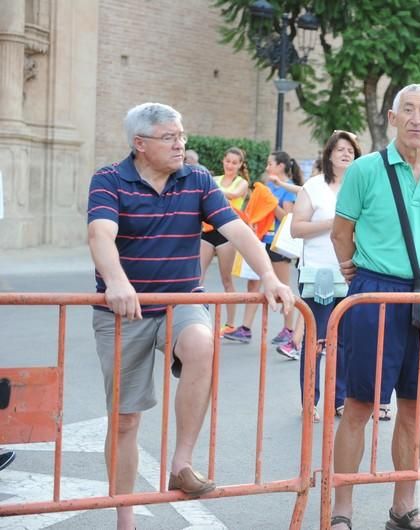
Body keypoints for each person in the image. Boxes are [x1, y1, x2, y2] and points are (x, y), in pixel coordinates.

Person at [87, 102, 293, 530]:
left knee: (202, 342)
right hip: (124, 310)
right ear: (139, 144)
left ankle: (182, 462)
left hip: (180, 300)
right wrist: (117, 281)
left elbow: (236, 229)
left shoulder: (196, 179)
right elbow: (100, 233)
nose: (180, 144)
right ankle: (125, 516)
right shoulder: (108, 180)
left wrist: (270, 277)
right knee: (125, 419)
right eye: (169, 137)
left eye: (182, 136)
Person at [329, 84, 420, 530]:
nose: (417, 118)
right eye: (409, 110)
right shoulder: (366, 169)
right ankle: (341, 512)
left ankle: (405, 507)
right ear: (392, 117)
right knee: (359, 406)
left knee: (413, 408)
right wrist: (353, 270)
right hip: (374, 294)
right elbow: (341, 230)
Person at [291, 130, 362, 422]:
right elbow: (297, 228)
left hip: (350, 271)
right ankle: (310, 400)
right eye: (340, 149)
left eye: (351, 150)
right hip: (318, 272)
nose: (346, 154)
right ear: (329, 154)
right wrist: (334, 223)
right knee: (316, 338)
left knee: (346, 340)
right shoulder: (314, 187)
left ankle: (340, 399)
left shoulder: (360, 187)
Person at [224, 151, 303, 356]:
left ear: (281, 166)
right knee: (255, 283)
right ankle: (246, 328)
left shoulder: (289, 189)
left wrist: (271, 202)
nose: (267, 167)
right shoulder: (267, 187)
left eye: (270, 164)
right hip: (260, 240)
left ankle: (289, 328)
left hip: (278, 243)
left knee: (282, 286)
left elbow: (287, 217)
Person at [199, 147, 250, 335]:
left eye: (234, 162)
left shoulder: (241, 183)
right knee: (198, 276)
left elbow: (233, 195)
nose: (230, 165)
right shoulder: (214, 180)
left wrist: (210, 187)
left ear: (240, 165)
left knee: (226, 279)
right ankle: (196, 317)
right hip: (208, 230)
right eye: (228, 161)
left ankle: (229, 323)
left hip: (227, 233)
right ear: (223, 161)